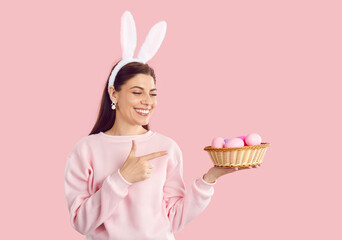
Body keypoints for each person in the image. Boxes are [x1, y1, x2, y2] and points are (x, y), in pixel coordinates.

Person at [64, 11, 258, 240]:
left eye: (153, 93)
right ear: (113, 93)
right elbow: (80, 222)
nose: (148, 101)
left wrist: (211, 178)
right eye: (137, 92)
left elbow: (174, 219)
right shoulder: (85, 150)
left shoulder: (167, 147)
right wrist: (122, 178)